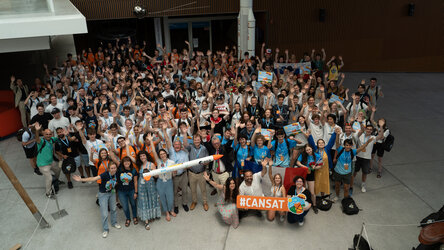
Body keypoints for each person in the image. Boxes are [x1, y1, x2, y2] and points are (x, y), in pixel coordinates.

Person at [73, 162, 122, 238]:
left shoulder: (117, 173)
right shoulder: (105, 174)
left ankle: (114, 223)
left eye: (114, 168)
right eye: (112, 168)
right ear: (109, 169)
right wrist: (81, 179)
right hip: (103, 195)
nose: (113, 170)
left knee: (113, 209)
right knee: (104, 213)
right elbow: (93, 178)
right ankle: (105, 229)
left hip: (112, 193)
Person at [333, 134, 373, 201]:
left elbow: (362, 147)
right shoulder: (340, 149)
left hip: (347, 173)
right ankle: (337, 196)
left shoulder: (353, 152)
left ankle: (345, 201)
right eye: (346, 145)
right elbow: (337, 143)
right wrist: (337, 135)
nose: (348, 146)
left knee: (346, 188)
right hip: (338, 172)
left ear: (351, 146)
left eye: (349, 145)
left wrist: (368, 142)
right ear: (344, 145)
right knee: (337, 186)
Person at [148, 133, 177, 221]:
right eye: (161, 154)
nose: (162, 155)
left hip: (169, 182)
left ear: (166, 154)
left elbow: (174, 174)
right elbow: (153, 151)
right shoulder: (158, 162)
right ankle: (167, 212)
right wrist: (151, 141)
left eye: (163, 153)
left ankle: (171, 210)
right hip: (160, 182)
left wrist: (174, 173)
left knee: (170, 198)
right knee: (163, 198)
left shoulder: (171, 162)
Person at [34, 123, 61, 198]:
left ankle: (56, 181)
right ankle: (48, 193)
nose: (48, 135)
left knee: (58, 169)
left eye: (50, 134)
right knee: (49, 178)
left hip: (51, 162)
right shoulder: (41, 141)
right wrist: (37, 131)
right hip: (43, 164)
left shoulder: (52, 139)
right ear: (43, 134)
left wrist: (63, 133)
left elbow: (59, 137)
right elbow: (37, 138)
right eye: (46, 134)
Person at [136, 149, 161, 229]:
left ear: (146, 156)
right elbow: (130, 157)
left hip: (150, 185)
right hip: (141, 187)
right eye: (140, 156)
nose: (142, 157)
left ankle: (152, 215)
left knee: (152, 199)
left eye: (143, 155)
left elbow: (156, 176)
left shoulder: (152, 164)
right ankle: (146, 221)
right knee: (144, 201)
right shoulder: (139, 165)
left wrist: (154, 173)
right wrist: (127, 145)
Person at [186, 134, 210, 211]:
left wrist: (206, 163)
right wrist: (184, 133)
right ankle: (194, 201)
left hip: (201, 173)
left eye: (198, 139)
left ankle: (205, 202)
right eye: (195, 139)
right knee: (193, 189)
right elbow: (185, 144)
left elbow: (207, 159)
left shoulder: (204, 148)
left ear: (200, 140)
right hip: (192, 173)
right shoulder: (190, 147)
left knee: (203, 189)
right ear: (193, 140)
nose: (196, 141)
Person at [117, 156, 138, 228]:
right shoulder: (119, 170)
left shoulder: (133, 170)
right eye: (125, 161)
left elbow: (135, 182)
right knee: (125, 207)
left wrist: (136, 192)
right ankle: (128, 218)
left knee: (133, 204)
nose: (126, 163)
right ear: (122, 163)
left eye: (128, 161)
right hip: (121, 191)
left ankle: (135, 217)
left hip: (131, 190)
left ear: (130, 162)